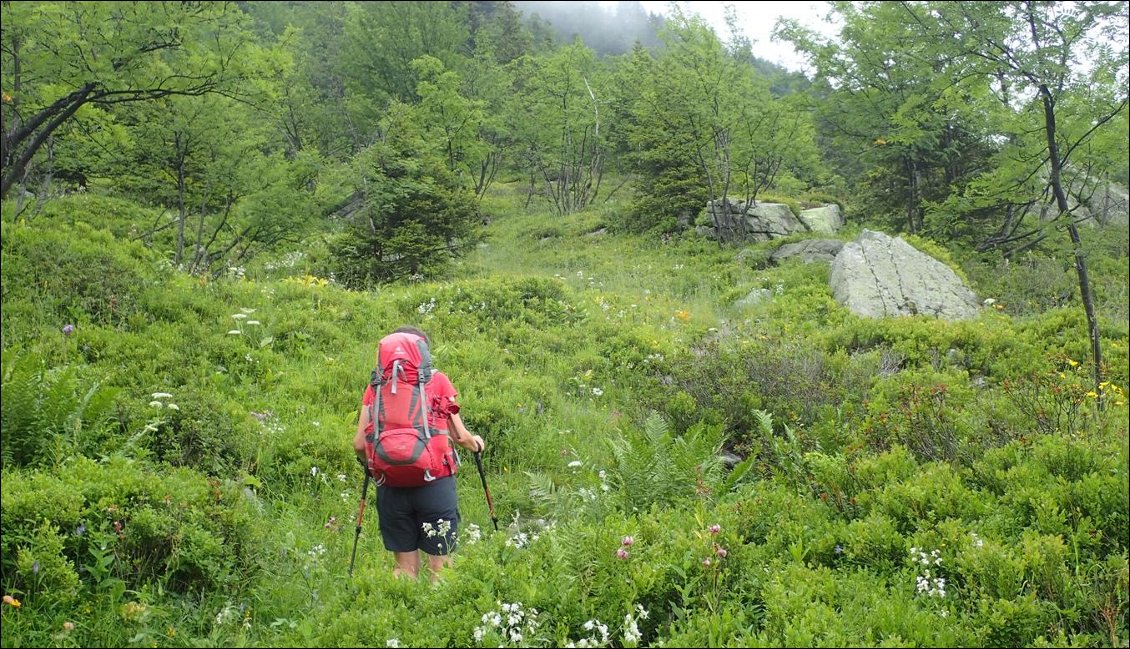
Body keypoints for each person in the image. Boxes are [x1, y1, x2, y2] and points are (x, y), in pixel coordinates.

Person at [352, 326, 484, 581]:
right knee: (441, 566)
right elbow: (460, 437)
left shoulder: (376, 385)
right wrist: (477, 444)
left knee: (404, 567)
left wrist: (374, 466)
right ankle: (438, 618)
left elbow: (359, 444)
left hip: (389, 483)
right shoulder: (437, 380)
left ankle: (405, 614)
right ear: (423, 351)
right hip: (434, 481)